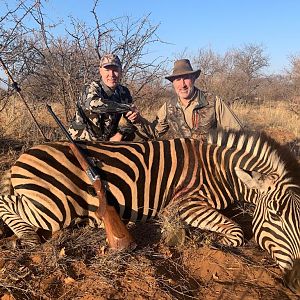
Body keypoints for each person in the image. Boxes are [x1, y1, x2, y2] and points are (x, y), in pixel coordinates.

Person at [142, 59, 243, 140]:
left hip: (207, 161)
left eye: (186, 78)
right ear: (173, 83)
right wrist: (138, 119)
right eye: (177, 79)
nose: (182, 85)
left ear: (194, 79)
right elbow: (154, 133)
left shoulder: (213, 101)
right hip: (181, 160)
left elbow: (237, 132)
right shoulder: (168, 106)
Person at [68, 53, 141, 142]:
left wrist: (120, 134)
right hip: (82, 142)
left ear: (121, 71)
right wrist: (126, 108)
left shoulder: (124, 92)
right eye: (107, 70)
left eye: (115, 70)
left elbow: (128, 120)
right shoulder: (90, 88)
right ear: (100, 71)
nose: (112, 74)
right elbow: (95, 105)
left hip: (108, 144)